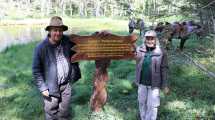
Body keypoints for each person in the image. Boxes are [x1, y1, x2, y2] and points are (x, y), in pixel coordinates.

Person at [32, 16, 81, 120]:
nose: (58, 33)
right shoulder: (40, 48)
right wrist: (43, 88)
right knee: (51, 112)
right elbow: (36, 70)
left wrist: (100, 35)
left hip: (66, 85)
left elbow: (84, 43)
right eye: (55, 30)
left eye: (60, 30)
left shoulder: (67, 41)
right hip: (50, 87)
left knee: (64, 111)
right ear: (49, 31)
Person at [135, 30, 169, 120]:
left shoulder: (161, 52)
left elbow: (164, 69)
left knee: (152, 105)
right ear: (144, 39)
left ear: (155, 40)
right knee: (142, 102)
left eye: (152, 39)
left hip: (154, 84)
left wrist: (164, 85)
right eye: (147, 38)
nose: (150, 41)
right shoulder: (139, 49)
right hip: (141, 82)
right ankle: (143, 118)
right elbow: (129, 53)